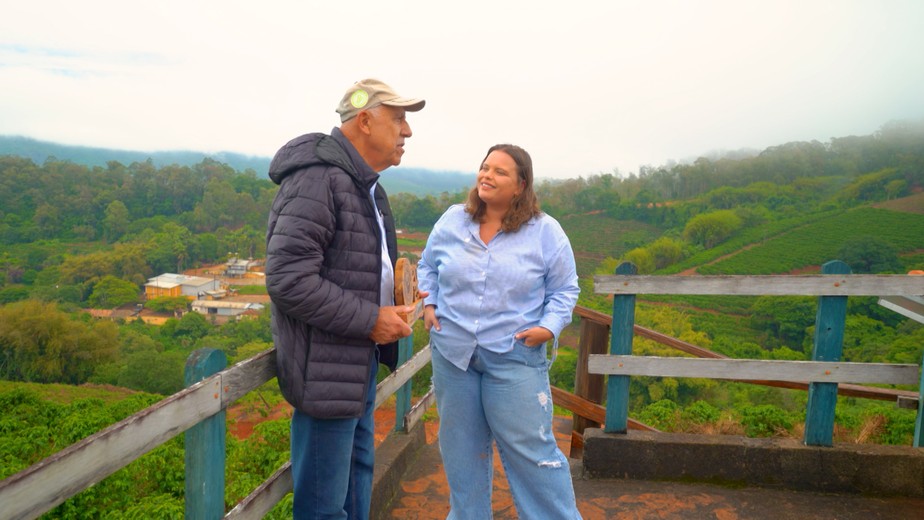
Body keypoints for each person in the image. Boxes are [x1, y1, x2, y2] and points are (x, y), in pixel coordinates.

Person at [265, 78, 425, 519]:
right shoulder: (318, 179)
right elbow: (288, 278)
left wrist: (396, 296)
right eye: (398, 119)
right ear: (365, 120)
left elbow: (354, 268)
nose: (407, 131)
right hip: (326, 373)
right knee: (324, 507)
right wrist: (371, 319)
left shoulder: (364, 186)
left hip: (356, 365)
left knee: (355, 492)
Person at [417, 144, 583, 519]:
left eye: (499, 172)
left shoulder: (545, 232)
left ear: (521, 185)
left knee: (532, 451)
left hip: (514, 357)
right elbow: (427, 266)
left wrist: (548, 328)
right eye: (484, 167)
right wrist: (429, 304)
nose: (487, 176)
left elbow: (565, 289)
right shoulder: (452, 221)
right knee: (461, 449)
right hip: (453, 353)